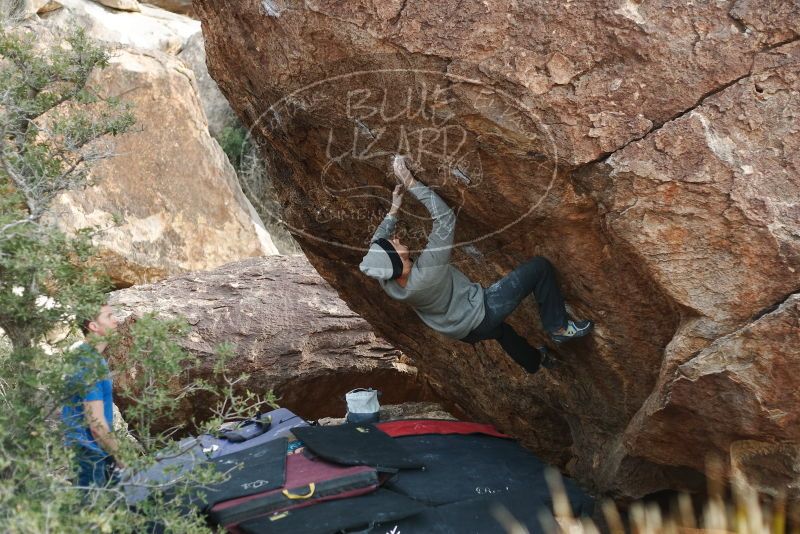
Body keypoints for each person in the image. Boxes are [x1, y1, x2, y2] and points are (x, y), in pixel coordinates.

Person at [359, 155, 593, 374]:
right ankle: (559, 328)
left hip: (459, 330)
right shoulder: (427, 272)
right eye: (395, 245)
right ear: (397, 260)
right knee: (540, 268)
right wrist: (409, 181)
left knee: (502, 331)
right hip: (482, 312)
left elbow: (376, 247)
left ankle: (535, 361)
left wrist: (394, 208)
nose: (396, 239)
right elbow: (444, 218)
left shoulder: (388, 279)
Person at [62, 304, 125, 487]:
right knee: (92, 511)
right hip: (89, 453)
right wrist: (122, 458)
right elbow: (96, 424)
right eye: (109, 316)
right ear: (93, 326)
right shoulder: (89, 363)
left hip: (94, 451)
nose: (116, 320)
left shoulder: (89, 357)